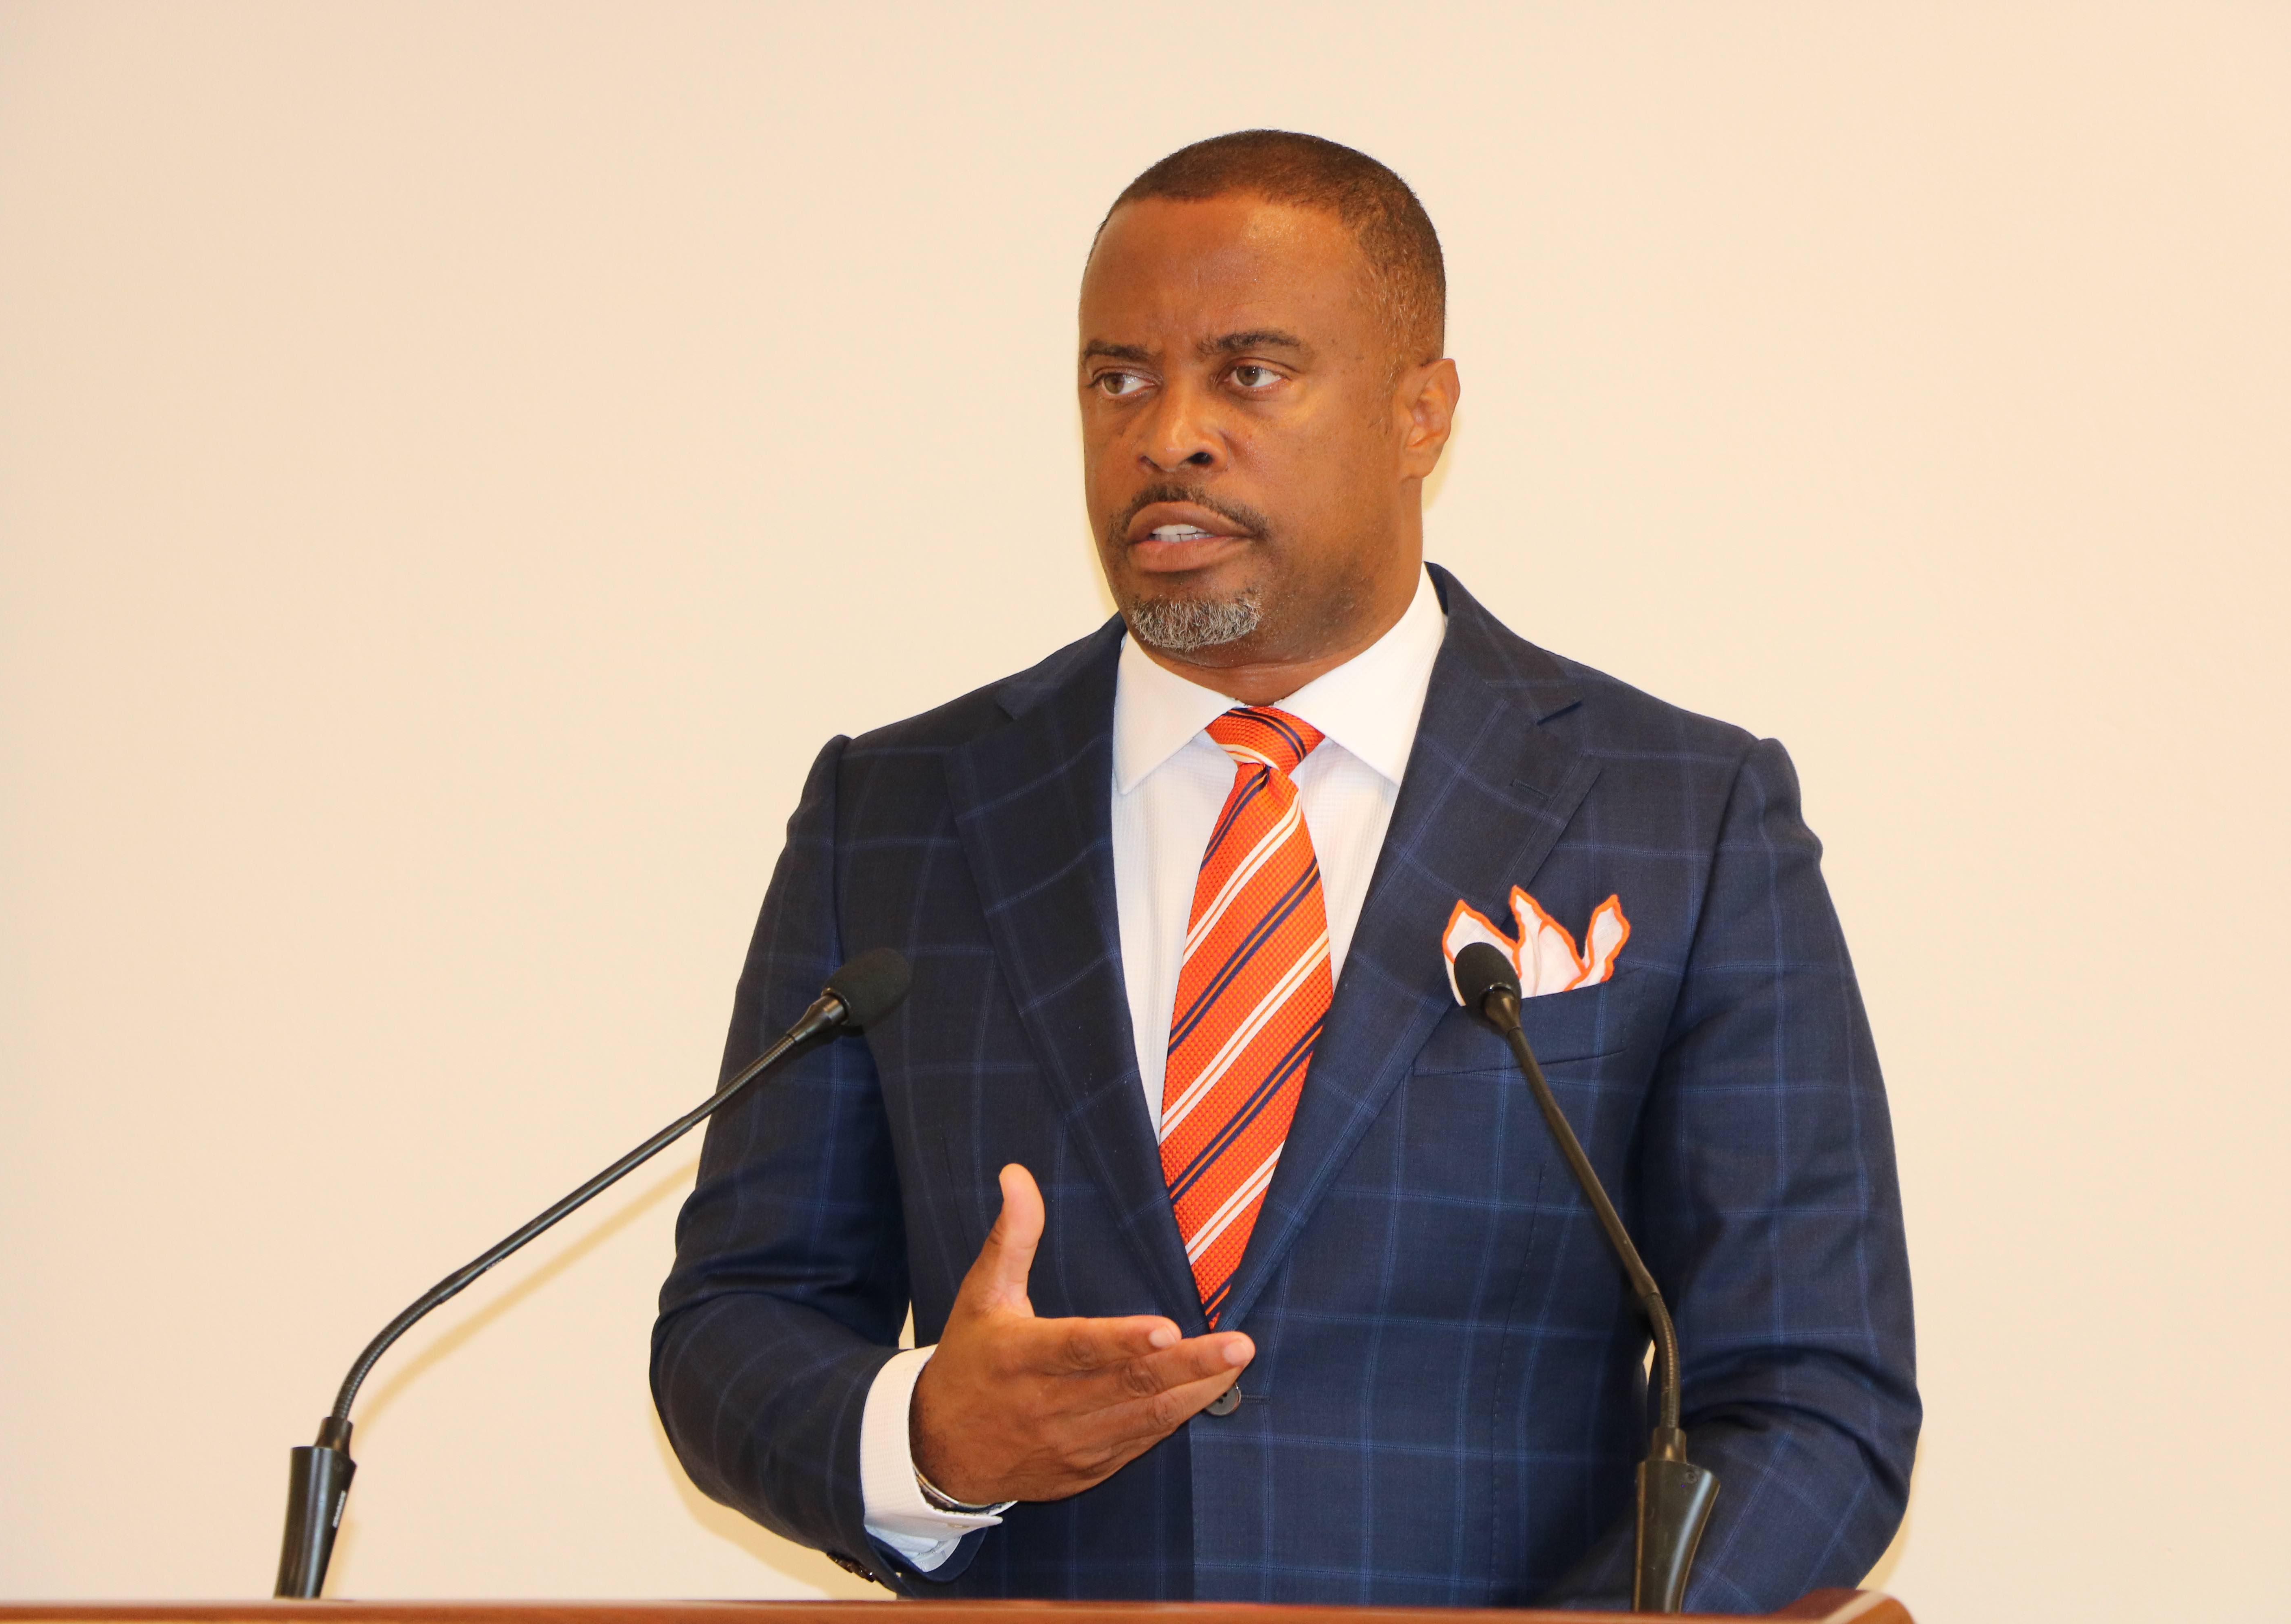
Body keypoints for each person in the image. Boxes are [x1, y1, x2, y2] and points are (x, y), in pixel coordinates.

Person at [651, 130, 1917, 1611]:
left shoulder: (1680, 816)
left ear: (1421, 411)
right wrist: (926, 1438)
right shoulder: (901, 810)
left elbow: (1811, 1397)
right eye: (1118, 378)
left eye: (1249, 373)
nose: (1167, 433)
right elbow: (738, 1323)